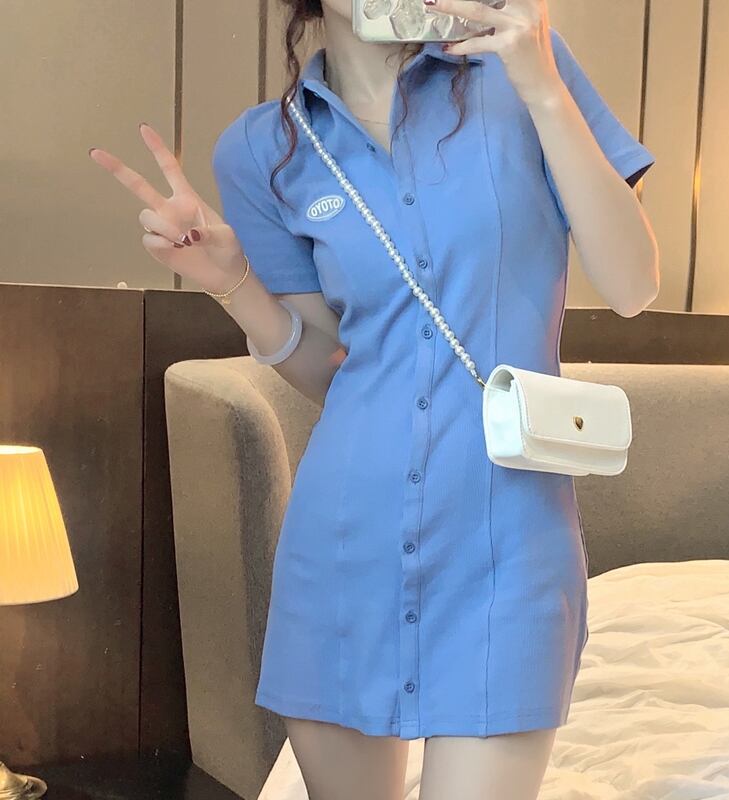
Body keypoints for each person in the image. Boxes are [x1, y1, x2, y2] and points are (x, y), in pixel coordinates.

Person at [90, 0, 658, 795]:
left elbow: (633, 284)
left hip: (506, 540)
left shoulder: (524, 70)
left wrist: (543, 89)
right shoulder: (263, 148)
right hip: (343, 544)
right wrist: (233, 281)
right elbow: (335, 369)